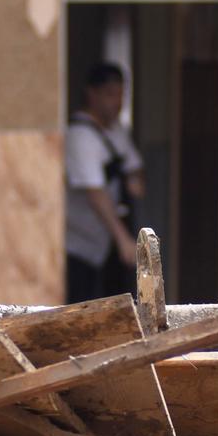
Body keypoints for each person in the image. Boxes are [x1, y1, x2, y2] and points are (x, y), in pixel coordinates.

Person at [64, 62, 146, 302]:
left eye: (121, 94)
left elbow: (136, 172)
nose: (117, 102)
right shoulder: (80, 137)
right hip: (80, 246)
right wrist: (123, 239)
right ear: (92, 94)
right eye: (111, 94)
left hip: (106, 244)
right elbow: (95, 192)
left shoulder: (116, 130)